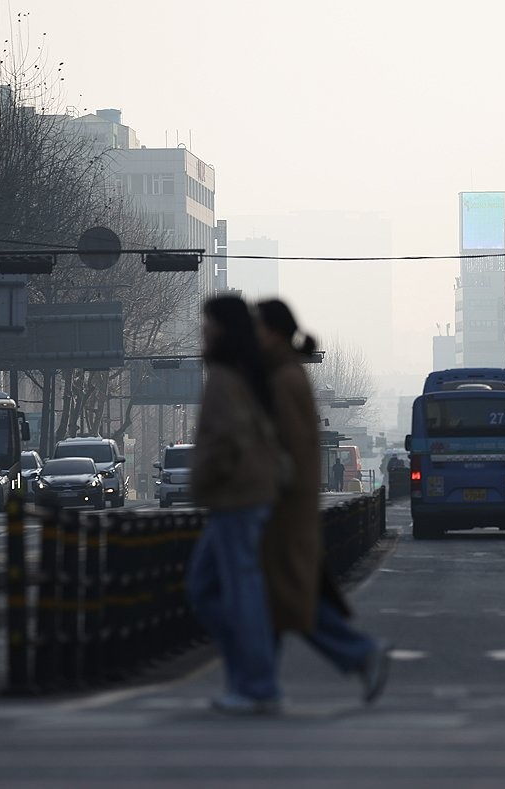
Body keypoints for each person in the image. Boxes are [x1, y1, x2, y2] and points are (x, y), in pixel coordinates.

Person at [254, 298, 392, 705]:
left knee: (279, 596)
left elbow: (292, 451)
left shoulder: (283, 379)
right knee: (282, 598)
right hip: (282, 506)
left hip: (281, 508)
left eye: (259, 328)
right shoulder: (281, 375)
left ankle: (259, 682)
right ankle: (258, 682)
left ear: (275, 332)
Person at [186, 295, 283, 715]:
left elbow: (225, 441)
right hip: (246, 494)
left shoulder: (225, 376)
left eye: (208, 322)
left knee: (238, 591)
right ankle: (247, 676)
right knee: (208, 587)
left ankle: (256, 683)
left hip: (236, 496)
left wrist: (203, 481)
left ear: (223, 328)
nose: (202, 330)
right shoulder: (247, 371)